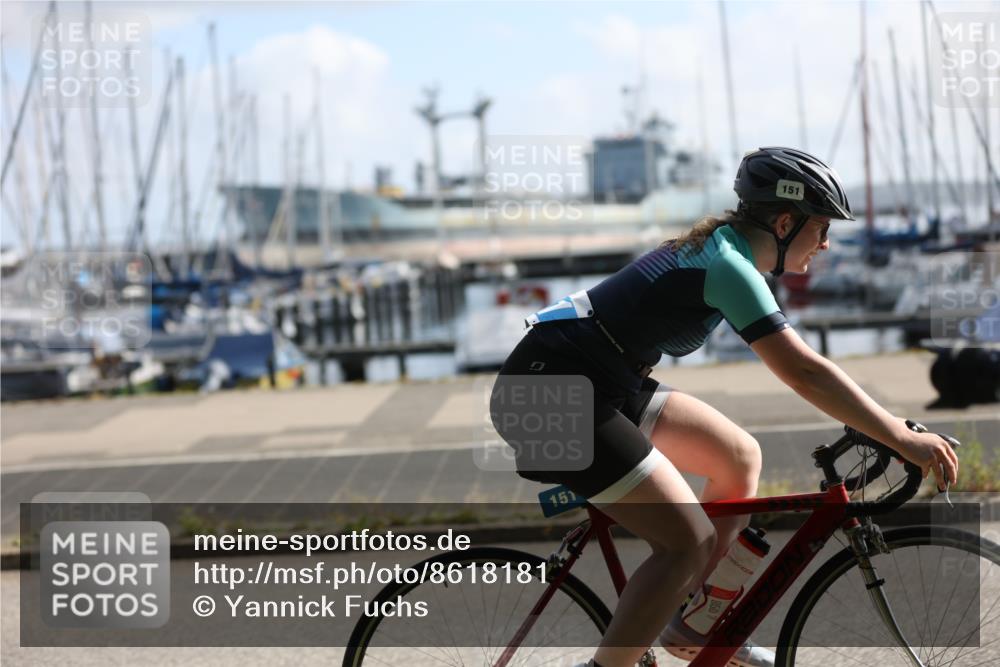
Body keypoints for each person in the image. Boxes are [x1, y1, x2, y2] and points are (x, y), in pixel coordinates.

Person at [489, 147, 959, 667]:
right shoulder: (728, 265)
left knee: (738, 456)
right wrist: (900, 436)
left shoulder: (725, 249)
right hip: (549, 393)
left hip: (600, 380)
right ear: (785, 223)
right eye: (822, 227)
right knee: (687, 543)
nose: (826, 243)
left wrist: (888, 428)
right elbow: (803, 371)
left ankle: (697, 624)